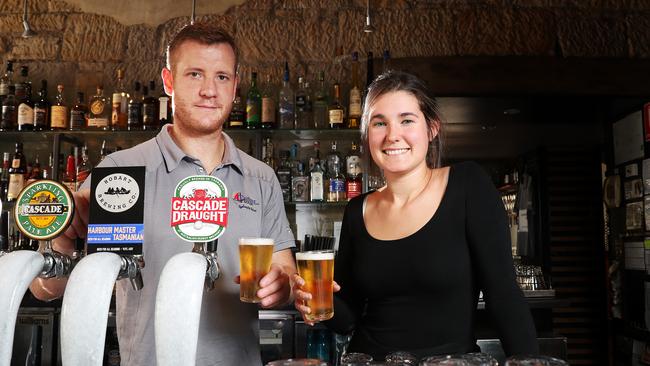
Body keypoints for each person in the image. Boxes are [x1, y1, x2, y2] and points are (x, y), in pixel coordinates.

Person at [30, 23, 297, 365]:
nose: (209, 91)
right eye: (195, 74)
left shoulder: (261, 177)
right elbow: (45, 289)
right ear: (169, 82)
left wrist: (283, 285)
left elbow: (286, 272)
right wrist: (65, 239)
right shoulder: (119, 172)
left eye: (222, 77)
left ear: (235, 88)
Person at [293, 71, 539, 360]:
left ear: (431, 128)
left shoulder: (468, 185)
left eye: (406, 120)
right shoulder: (357, 210)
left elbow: (505, 298)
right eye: (379, 123)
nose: (392, 135)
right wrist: (316, 301)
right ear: (367, 134)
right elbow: (348, 317)